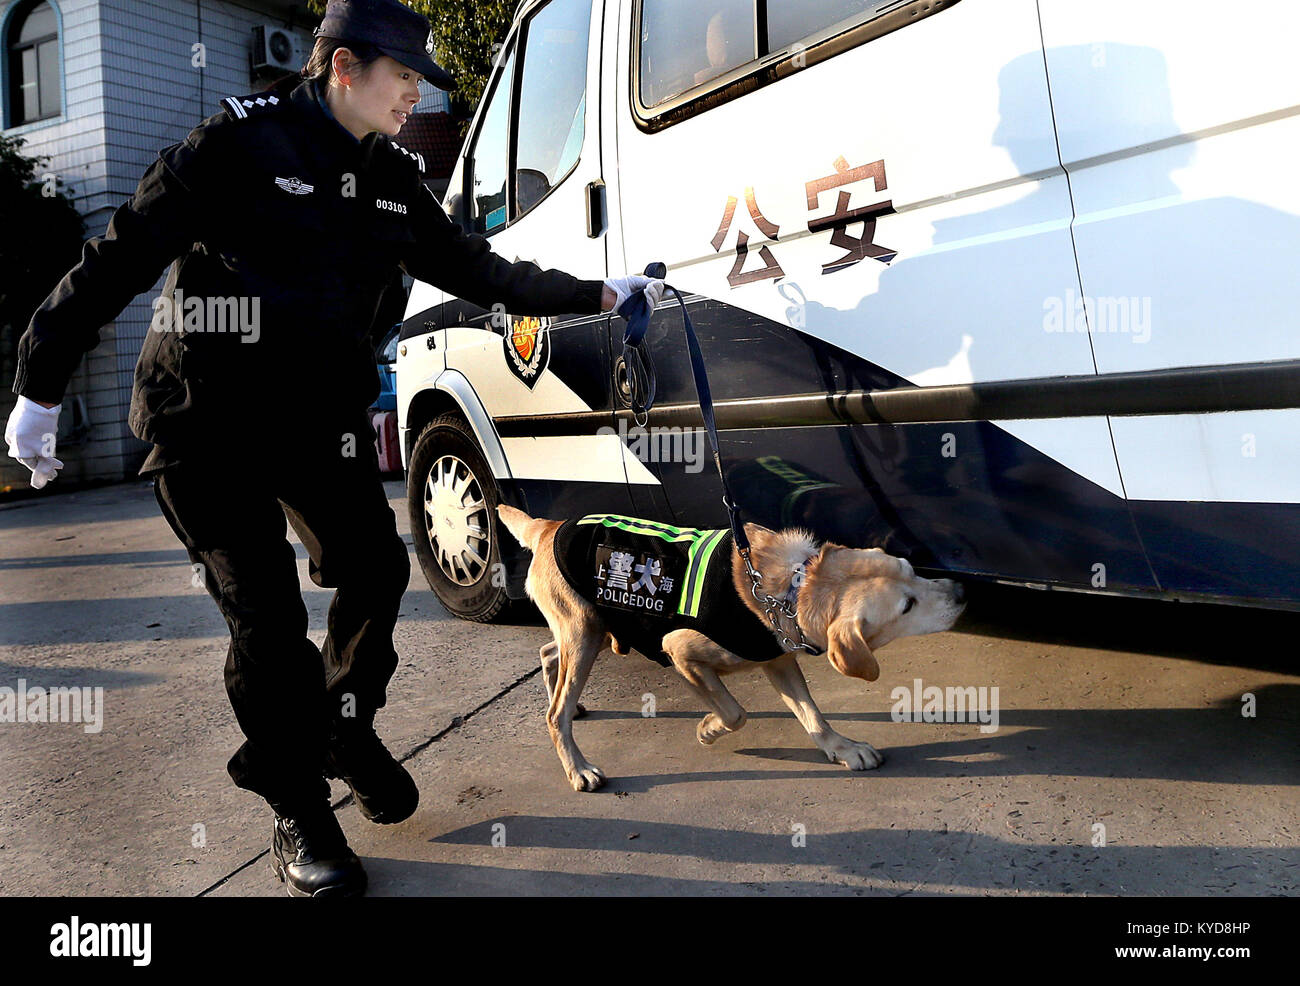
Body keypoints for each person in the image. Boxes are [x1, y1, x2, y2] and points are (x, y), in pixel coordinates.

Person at [3, 0, 664, 897]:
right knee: (267, 619)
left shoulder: (392, 177)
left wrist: (596, 288)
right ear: (344, 68)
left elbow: (482, 271)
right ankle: (298, 807)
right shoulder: (234, 147)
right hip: (204, 420)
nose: (414, 96)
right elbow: (119, 255)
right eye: (403, 78)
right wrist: (40, 385)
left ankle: (345, 723)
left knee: (376, 568)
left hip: (313, 420)